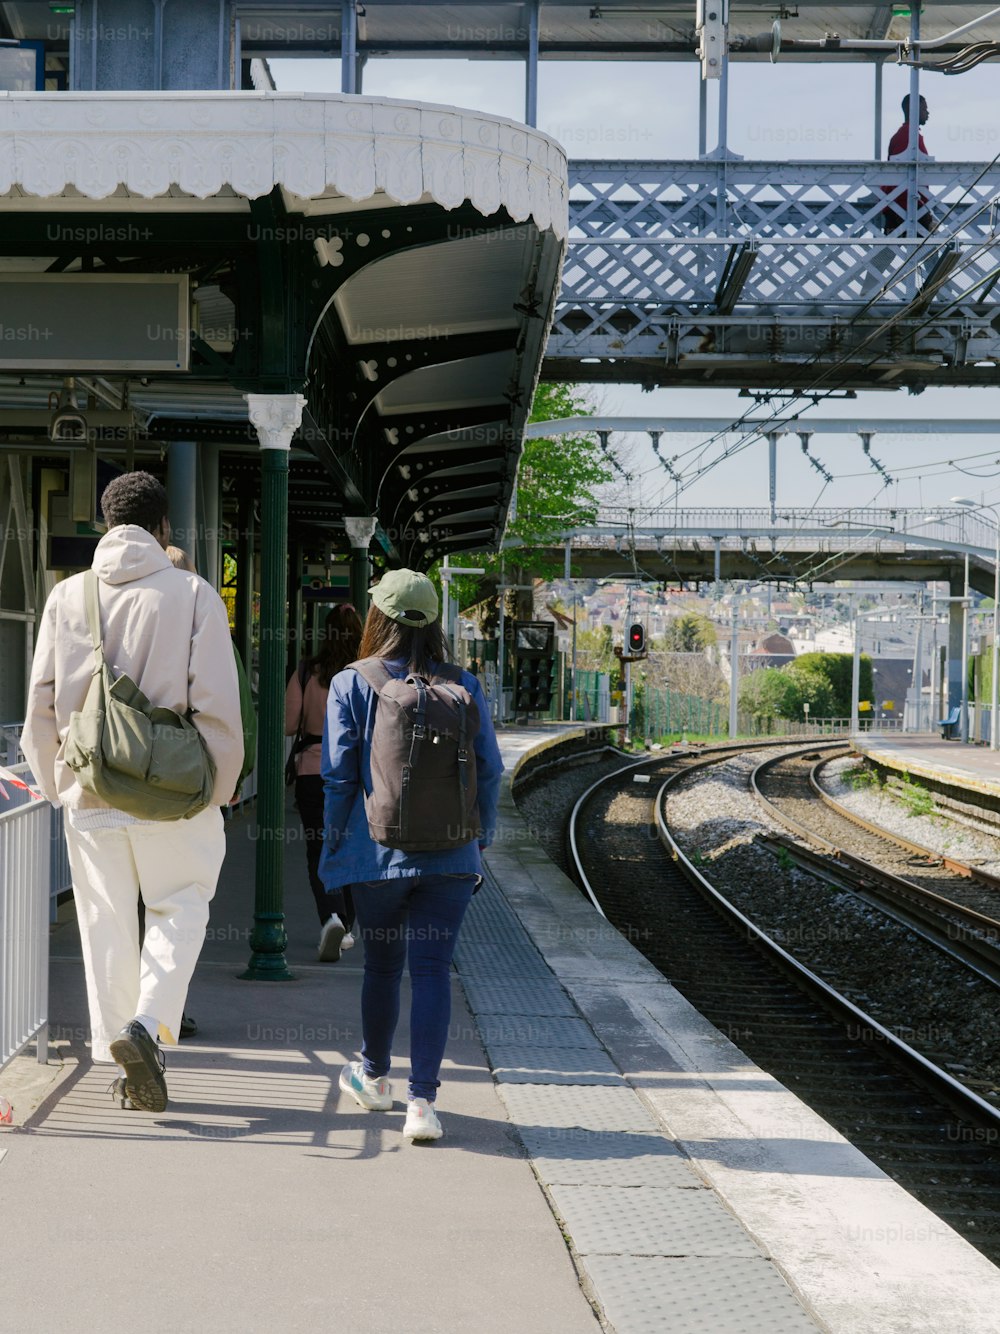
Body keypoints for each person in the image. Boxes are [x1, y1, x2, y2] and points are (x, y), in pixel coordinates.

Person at [21, 472, 244, 1112]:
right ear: (164, 529)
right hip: (174, 794)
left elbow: (39, 707)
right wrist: (219, 787)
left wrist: (58, 785)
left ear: (103, 523)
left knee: (105, 926)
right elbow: (218, 709)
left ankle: (121, 1056)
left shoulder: (66, 597)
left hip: (89, 792)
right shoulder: (195, 595)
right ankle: (147, 1027)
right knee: (182, 905)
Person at [321, 569, 503, 1142]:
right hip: (452, 856)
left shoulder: (352, 682)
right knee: (431, 972)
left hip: (376, 857)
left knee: (381, 967)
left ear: (378, 617)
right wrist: (481, 837)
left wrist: (333, 843)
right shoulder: (464, 684)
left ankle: (375, 1080)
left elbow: (337, 775)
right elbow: (492, 769)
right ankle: (422, 1104)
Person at [285, 603, 363, 962]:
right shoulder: (365, 675)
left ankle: (331, 917)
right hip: (356, 775)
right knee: (353, 847)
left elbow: (288, 723)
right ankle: (346, 923)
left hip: (313, 772)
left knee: (319, 848)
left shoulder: (306, 672)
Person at [881, 94, 935, 235]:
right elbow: (902, 176)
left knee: (887, 253)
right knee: (929, 250)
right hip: (907, 204)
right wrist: (921, 209)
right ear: (914, 109)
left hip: (899, 203)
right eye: (924, 109)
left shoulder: (904, 134)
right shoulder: (908, 136)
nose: (927, 112)